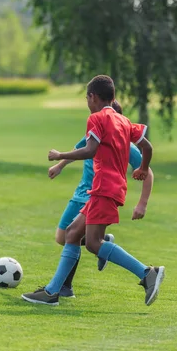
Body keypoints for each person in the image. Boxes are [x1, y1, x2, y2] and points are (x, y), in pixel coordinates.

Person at [22, 75, 165, 306]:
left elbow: (89, 150)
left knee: (93, 243)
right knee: (71, 233)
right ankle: (53, 292)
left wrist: (60, 155)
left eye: (88, 99)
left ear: (93, 97)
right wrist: (143, 167)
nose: (88, 104)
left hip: (104, 189)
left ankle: (147, 273)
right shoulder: (124, 121)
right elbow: (147, 146)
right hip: (109, 189)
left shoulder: (97, 119)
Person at [48, 100, 155, 298]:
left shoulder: (123, 142)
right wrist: (61, 165)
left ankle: (60, 289)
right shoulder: (94, 134)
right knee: (67, 237)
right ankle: (59, 288)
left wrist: (142, 203)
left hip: (98, 193)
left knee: (74, 238)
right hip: (86, 194)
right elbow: (82, 150)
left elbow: (148, 170)